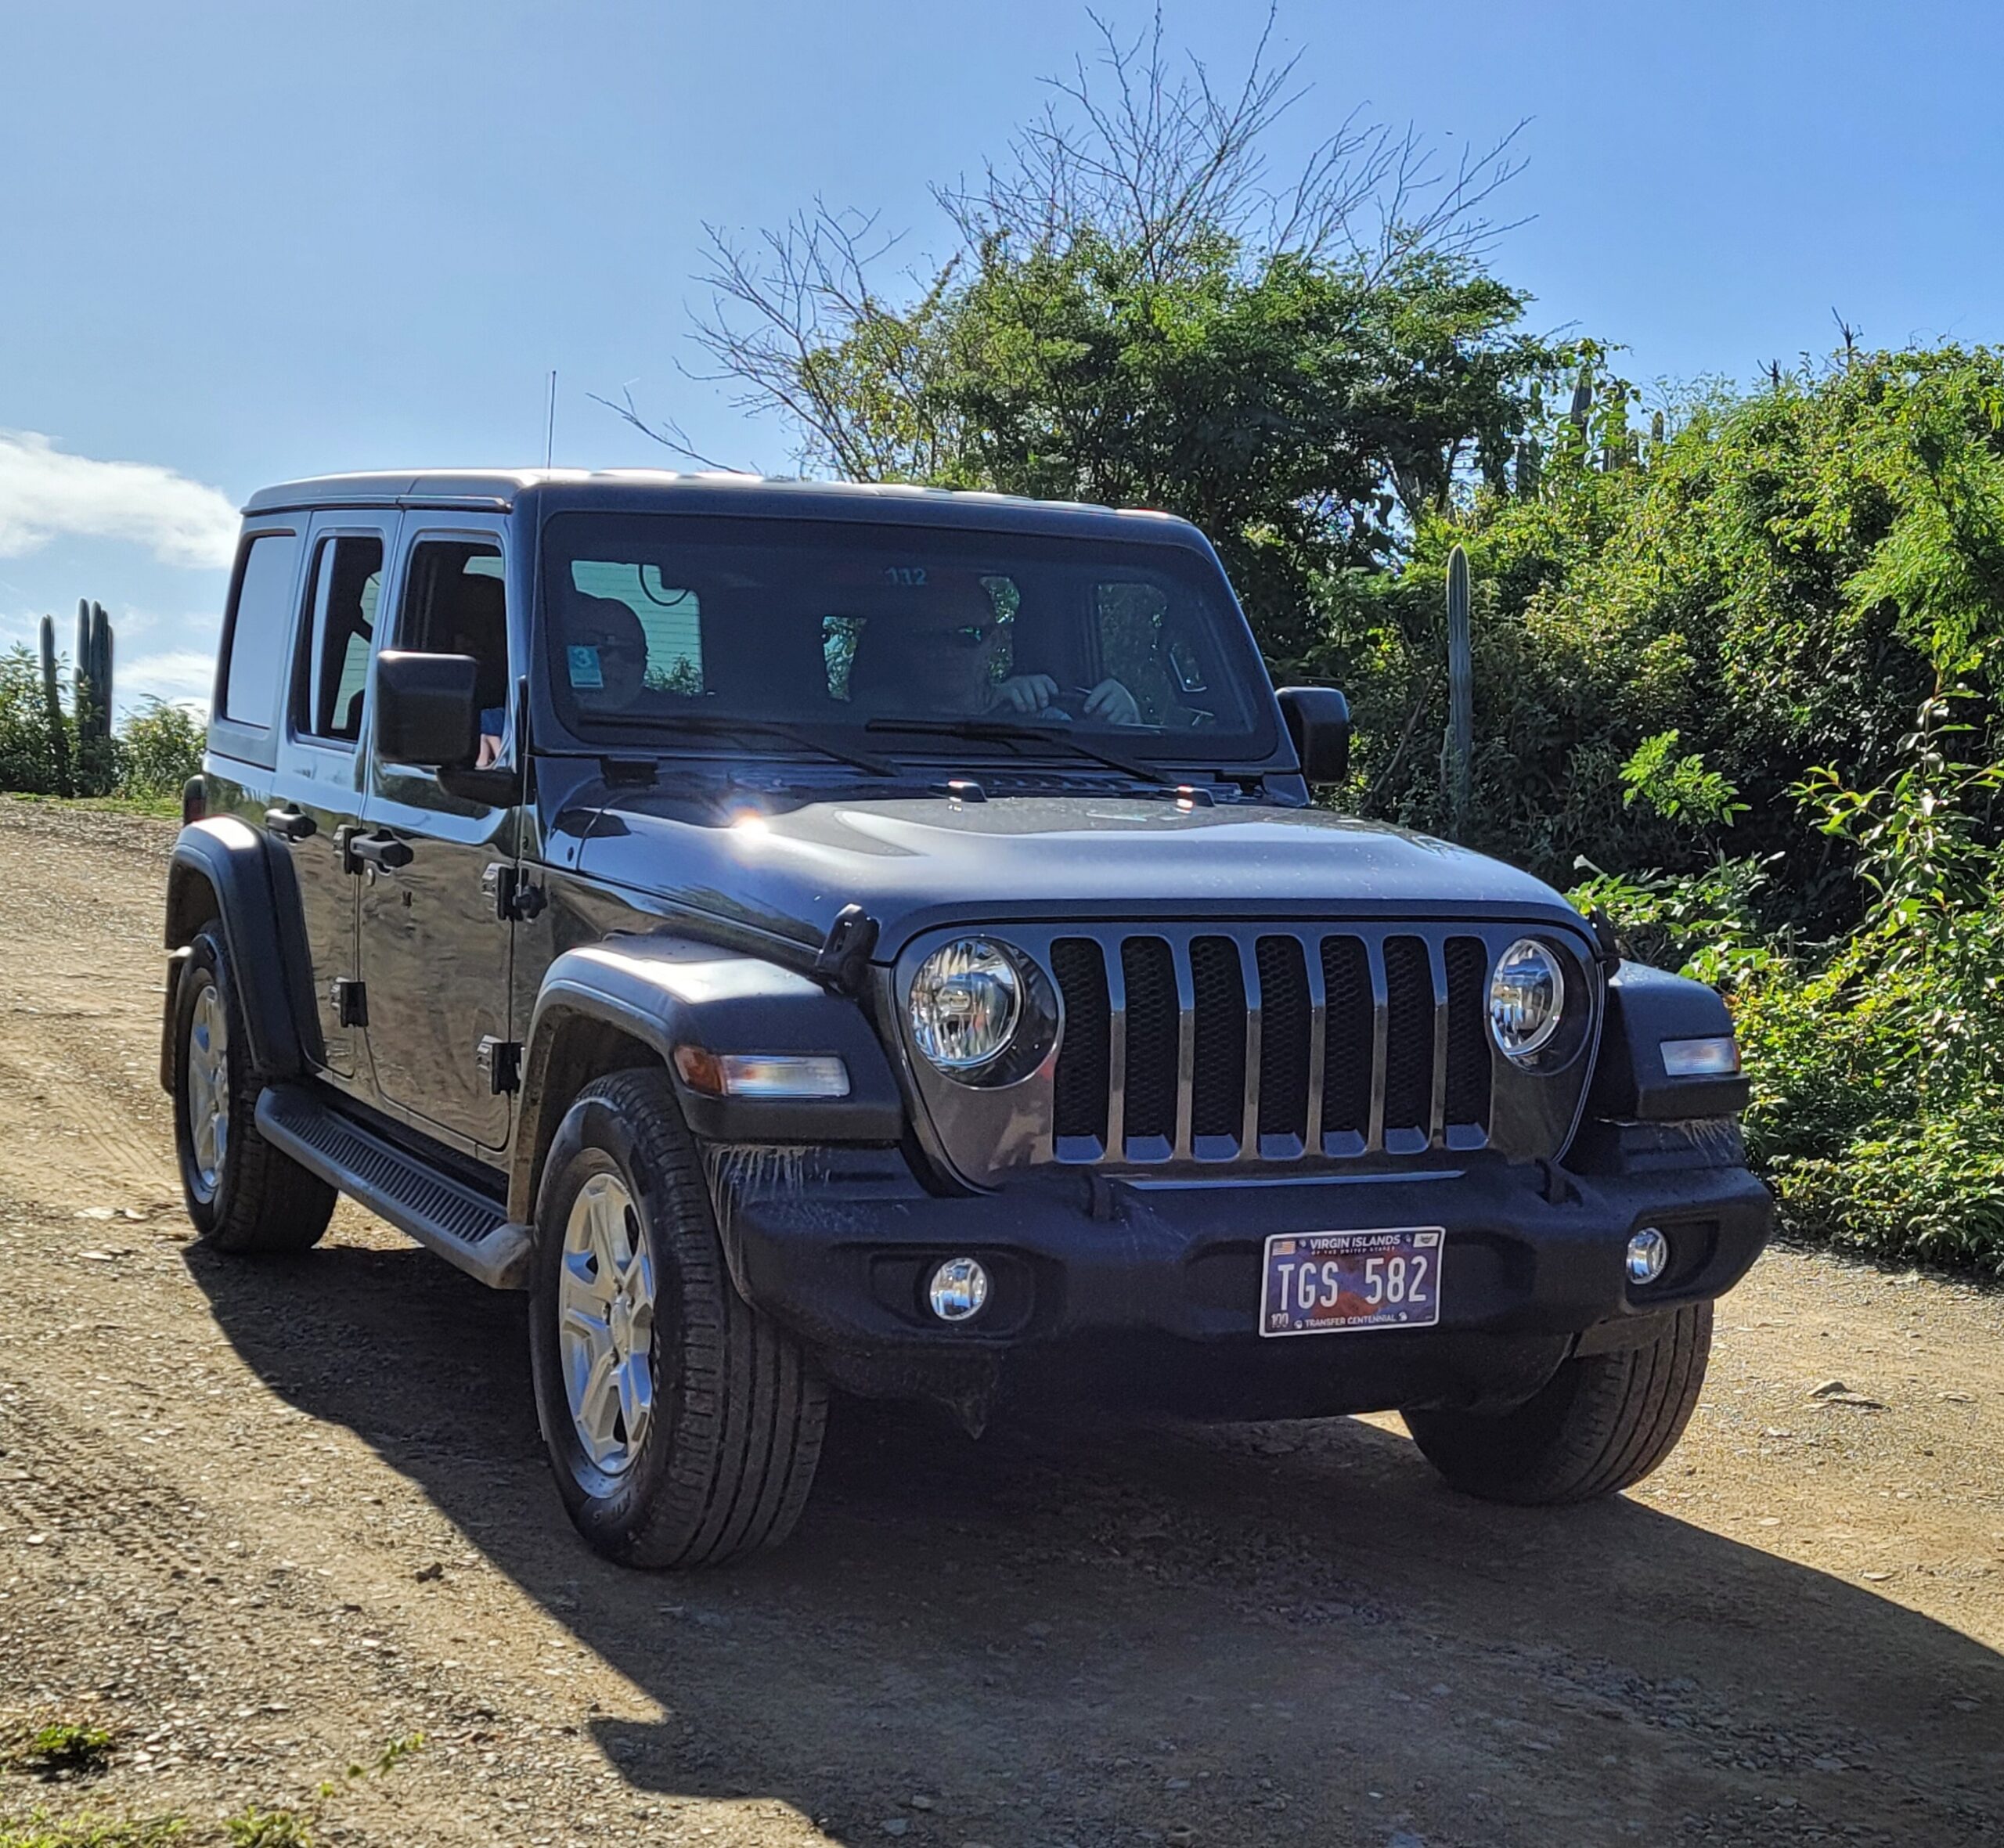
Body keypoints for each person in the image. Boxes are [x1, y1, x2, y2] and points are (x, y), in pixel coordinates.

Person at [849, 578, 1140, 724]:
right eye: (928, 637)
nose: (947, 651)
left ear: (995, 640)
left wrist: (1126, 719)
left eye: (967, 636)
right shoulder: (872, 721)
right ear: (905, 644)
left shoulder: (1038, 717)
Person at [481, 593, 651, 762]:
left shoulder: (670, 730)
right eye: (595, 644)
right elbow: (462, 733)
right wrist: (480, 745)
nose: (614, 660)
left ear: (643, 665)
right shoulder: (514, 723)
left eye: (629, 651)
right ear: (564, 654)